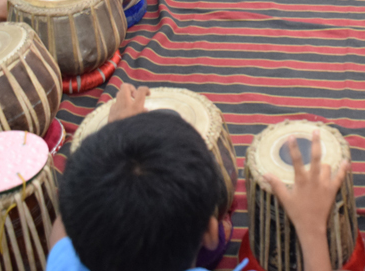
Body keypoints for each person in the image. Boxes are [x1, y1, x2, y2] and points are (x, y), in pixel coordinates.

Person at [45, 84, 349, 271]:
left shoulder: (64, 262)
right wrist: (311, 229)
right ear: (210, 231)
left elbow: (62, 227)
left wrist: (116, 138)